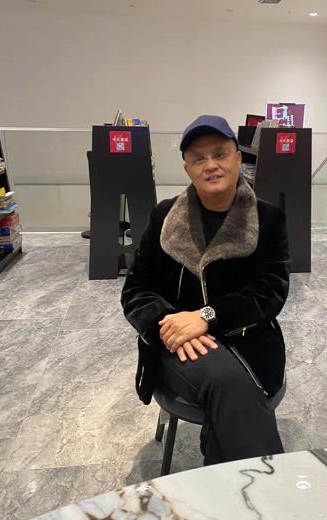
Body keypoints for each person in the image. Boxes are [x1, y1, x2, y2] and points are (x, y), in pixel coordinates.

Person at [121, 115, 290, 465]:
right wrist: (170, 326)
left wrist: (206, 317)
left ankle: (233, 486)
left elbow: (271, 289)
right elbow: (137, 289)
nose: (210, 164)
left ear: (238, 159)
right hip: (176, 346)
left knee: (231, 386)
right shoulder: (164, 217)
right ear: (187, 168)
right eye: (198, 158)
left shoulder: (268, 218)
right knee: (226, 381)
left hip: (249, 342)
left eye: (220, 153)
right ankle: (263, 488)